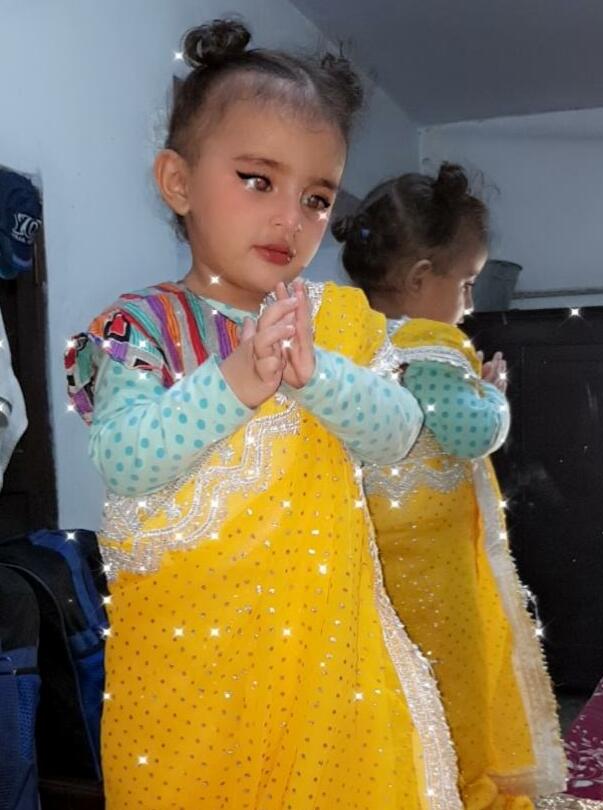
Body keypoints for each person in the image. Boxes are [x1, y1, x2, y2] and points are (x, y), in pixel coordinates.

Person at [65, 20, 463, 809]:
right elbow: (125, 456)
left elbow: (398, 432)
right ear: (178, 182)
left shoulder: (329, 322)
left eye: (317, 198)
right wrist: (238, 379)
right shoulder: (139, 328)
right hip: (192, 672)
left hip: (325, 666)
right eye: (258, 180)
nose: (291, 218)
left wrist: (316, 377)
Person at [333, 163, 567, 809]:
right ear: (418, 280)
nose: (468, 303)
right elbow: (467, 432)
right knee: (453, 684)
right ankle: (461, 790)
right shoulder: (428, 348)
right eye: (464, 284)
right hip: (431, 572)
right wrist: (493, 398)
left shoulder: (351, 345)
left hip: (376, 559)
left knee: (396, 692)